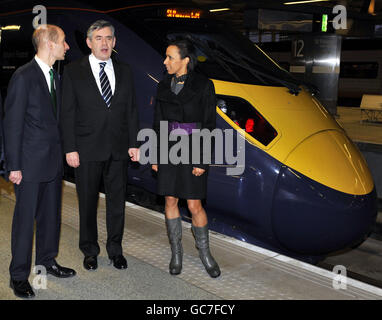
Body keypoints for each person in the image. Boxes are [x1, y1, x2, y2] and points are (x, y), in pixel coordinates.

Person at [3, 24, 76, 299]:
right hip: (29, 165)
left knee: (50, 218)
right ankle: (18, 276)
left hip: (52, 164)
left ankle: (47, 261)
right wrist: (14, 165)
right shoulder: (23, 77)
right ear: (49, 44)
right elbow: (12, 124)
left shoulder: (55, 77)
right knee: (25, 222)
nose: (67, 47)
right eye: (64, 42)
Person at [60, 20, 139, 271]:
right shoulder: (74, 70)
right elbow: (67, 112)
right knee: (87, 202)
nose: (104, 43)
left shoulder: (126, 70)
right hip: (86, 148)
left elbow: (131, 110)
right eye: (99, 38)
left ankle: (115, 250)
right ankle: (89, 250)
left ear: (114, 42)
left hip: (118, 149)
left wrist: (134, 143)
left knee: (117, 203)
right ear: (89, 42)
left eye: (108, 38)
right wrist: (70, 148)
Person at [152, 39, 221, 278]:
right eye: (166, 57)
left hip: (193, 148)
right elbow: (158, 122)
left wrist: (202, 160)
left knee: (194, 204)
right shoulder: (162, 85)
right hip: (169, 148)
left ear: (185, 60)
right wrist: (155, 154)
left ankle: (205, 253)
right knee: (170, 201)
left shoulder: (204, 85)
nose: (165, 61)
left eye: (170, 57)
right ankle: (177, 253)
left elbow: (209, 124)